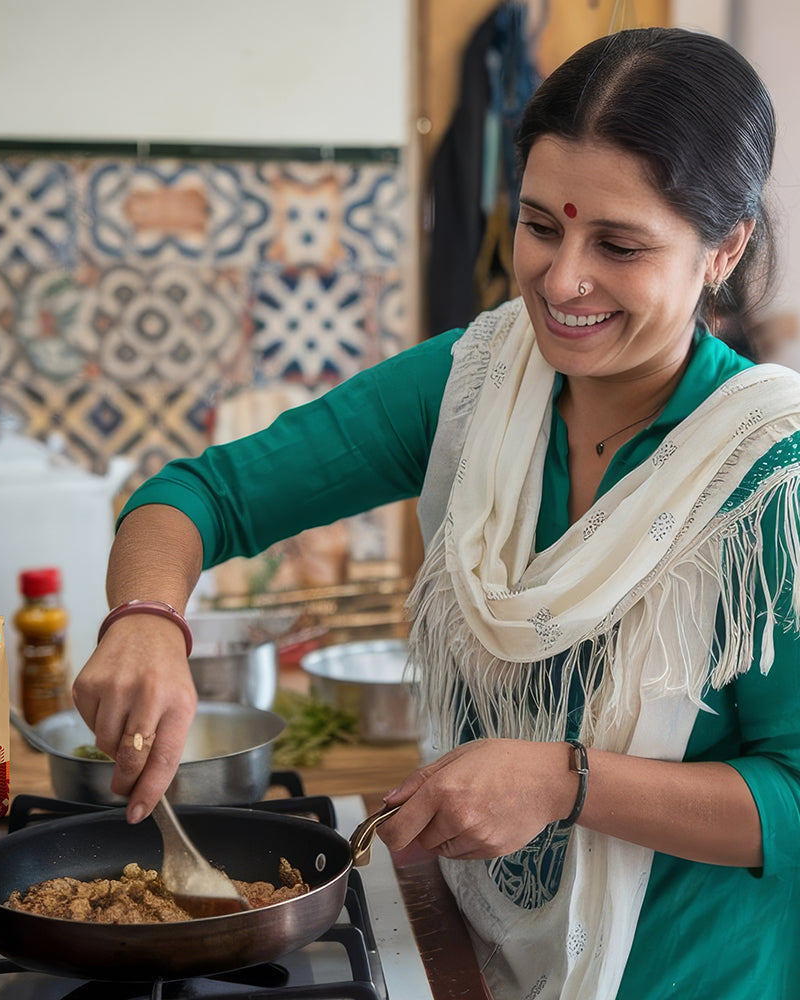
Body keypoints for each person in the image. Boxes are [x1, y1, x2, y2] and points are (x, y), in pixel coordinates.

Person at [73, 27, 800, 1000]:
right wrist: (144, 622)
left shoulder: (769, 478)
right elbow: (198, 495)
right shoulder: (477, 382)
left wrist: (561, 780)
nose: (561, 278)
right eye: (540, 226)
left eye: (617, 245)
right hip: (472, 952)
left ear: (725, 249)